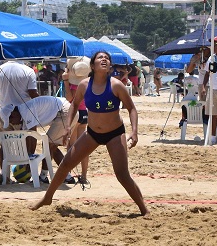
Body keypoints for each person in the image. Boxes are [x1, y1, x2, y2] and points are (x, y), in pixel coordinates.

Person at [32, 51, 148, 216]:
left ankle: (144, 209)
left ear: (109, 66)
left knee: (122, 174)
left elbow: (131, 109)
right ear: (92, 66)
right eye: (100, 57)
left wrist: (134, 132)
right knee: (65, 164)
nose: (104, 59)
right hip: (92, 133)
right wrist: (67, 127)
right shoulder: (84, 85)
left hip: (115, 133)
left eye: (107, 58)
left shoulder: (116, 85)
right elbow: (73, 105)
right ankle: (47, 198)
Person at [1, 95, 75, 184]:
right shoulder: (22, 115)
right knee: (52, 147)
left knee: (48, 144)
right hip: (62, 111)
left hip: (66, 111)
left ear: (13, 114)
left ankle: (43, 177)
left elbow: (33, 136)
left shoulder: (26, 111)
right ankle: (68, 177)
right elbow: (28, 138)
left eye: (11, 121)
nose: (12, 123)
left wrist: (29, 159)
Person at [0, 61, 38, 172]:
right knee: (29, 142)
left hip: (5, 112)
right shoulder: (28, 71)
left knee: (4, 145)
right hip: (24, 113)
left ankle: (4, 175)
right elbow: (32, 93)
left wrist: (5, 89)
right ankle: (28, 170)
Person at [63, 56, 91, 185]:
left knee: (72, 146)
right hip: (85, 112)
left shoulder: (74, 84)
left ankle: (68, 173)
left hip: (75, 113)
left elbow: (70, 98)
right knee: (83, 147)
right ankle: (84, 175)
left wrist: (66, 82)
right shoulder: (88, 82)